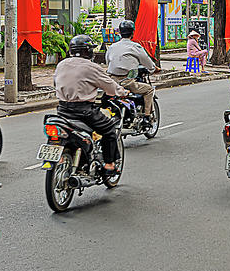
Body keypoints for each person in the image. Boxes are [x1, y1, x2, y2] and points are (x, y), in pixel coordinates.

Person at [54, 35, 127, 173]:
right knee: (109, 129)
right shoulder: (91, 67)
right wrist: (122, 91)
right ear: (88, 51)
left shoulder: (61, 64)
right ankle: (109, 165)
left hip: (62, 110)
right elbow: (110, 87)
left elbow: (55, 83)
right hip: (84, 111)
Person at [105, 20, 158, 121]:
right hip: (127, 81)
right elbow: (147, 61)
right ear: (133, 32)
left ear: (120, 32)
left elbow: (108, 62)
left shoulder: (112, 47)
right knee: (149, 89)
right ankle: (147, 116)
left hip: (111, 81)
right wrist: (153, 69)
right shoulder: (135, 47)